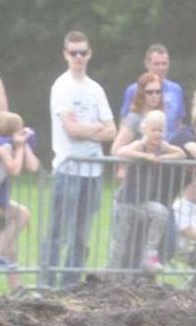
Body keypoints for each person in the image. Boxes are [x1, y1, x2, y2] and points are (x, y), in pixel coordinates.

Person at [42, 30, 116, 289]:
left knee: (81, 235)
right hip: (68, 169)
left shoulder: (96, 88)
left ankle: (70, 285)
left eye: (83, 52)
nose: (78, 57)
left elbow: (112, 130)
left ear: (90, 53)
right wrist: (95, 129)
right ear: (65, 54)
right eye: (73, 52)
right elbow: (70, 130)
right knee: (58, 232)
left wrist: (88, 129)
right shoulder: (61, 87)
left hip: (93, 172)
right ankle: (47, 285)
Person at [111, 109, 184, 274]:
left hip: (143, 201)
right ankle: (111, 274)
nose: (157, 134)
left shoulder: (161, 147)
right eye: (154, 130)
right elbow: (121, 151)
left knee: (160, 212)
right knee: (120, 244)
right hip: (126, 201)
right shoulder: (141, 144)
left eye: (161, 130)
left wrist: (162, 158)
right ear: (145, 130)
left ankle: (150, 254)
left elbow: (180, 153)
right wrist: (144, 156)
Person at [0, 112, 39, 292]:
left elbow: (33, 167)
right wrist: (18, 147)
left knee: (11, 243)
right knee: (22, 214)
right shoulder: (0, 145)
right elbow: (14, 170)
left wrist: (23, 145)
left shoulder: (11, 144)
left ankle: (16, 287)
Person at [119, 44, 186, 135]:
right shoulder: (134, 90)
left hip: (171, 143)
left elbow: (178, 122)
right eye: (156, 64)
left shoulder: (176, 89)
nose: (161, 68)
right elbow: (124, 122)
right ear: (147, 64)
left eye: (164, 64)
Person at [110, 72, 163, 155]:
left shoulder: (159, 116)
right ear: (141, 93)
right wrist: (143, 156)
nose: (154, 95)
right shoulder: (135, 118)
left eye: (158, 91)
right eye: (149, 92)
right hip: (135, 166)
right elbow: (115, 150)